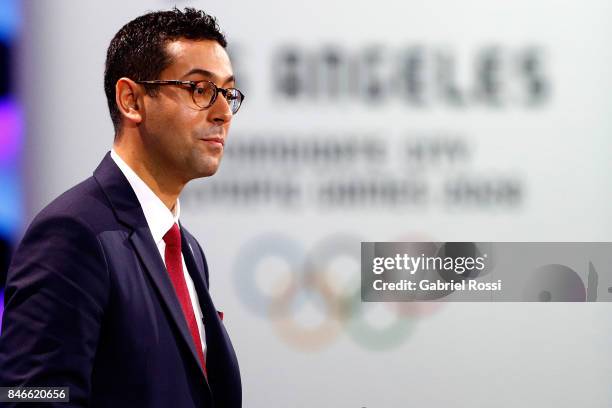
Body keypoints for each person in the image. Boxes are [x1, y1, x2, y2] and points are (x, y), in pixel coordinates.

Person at [0, 8, 243, 407]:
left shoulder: (186, 250)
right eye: (199, 89)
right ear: (131, 100)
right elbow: (29, 395)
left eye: (228, 93)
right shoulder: (72, 234)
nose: (222, 113)